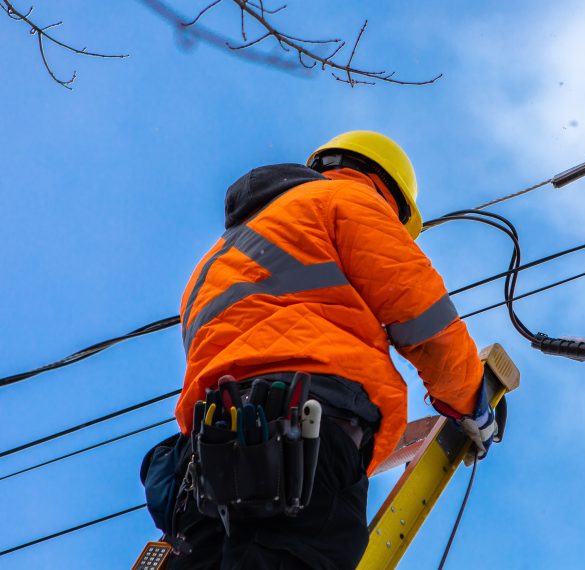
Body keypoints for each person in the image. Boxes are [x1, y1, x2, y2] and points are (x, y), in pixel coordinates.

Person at [163, 131, 497, 569]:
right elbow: (426, 321)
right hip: (306, 430)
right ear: (385, 188)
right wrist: (473, 405)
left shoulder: (214, 262)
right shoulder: (347, 201)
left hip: (208, 457)